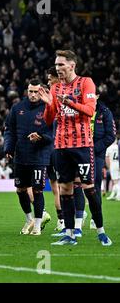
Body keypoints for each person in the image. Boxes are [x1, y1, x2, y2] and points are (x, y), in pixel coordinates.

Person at [39, 49, 112, 246]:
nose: (58, 68)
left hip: (82, 145)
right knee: (65, 190)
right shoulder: (55, 89)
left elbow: (89, 110)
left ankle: (101, 232)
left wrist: (70, 102)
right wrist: (48, 105)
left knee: (89, 189)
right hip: (61, 146)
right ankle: (70, 234)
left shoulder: (85, 82)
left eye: (61, 64)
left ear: (72, 65)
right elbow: (48, 121)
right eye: (56, 65)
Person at [4, 79, 53, 236]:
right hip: (21, 156)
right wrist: (8, 148)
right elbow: (9, 130)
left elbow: (53, 133)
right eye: (30, 91)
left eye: (36, 92)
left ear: (41, 92)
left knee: (38, 191)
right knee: (20, 190)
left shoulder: (48, 109)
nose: (32, 95)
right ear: (27, 91)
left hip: (39, 157)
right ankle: (28, 219)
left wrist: (40, 137)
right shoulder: (17, 108)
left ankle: (38, 225)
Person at [69, 88, 116, 237]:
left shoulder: (105, 112)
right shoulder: (78, 109)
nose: (89, 97)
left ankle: (96, 219)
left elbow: (110, 136)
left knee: (93, 187)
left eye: (91, 95)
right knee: (77, 185)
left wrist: (94, 149)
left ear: (97, 96)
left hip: (96, 155)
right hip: (79, 153)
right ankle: (79, 217)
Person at [46, 67, 64, 231]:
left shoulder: (53, 98)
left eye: (50, 79)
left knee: (59, 187)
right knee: (59, 187)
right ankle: (65, 219)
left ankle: (64, 220)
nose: (48, 82)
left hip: (56, 149)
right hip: (57, 149)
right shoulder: (56, 97)